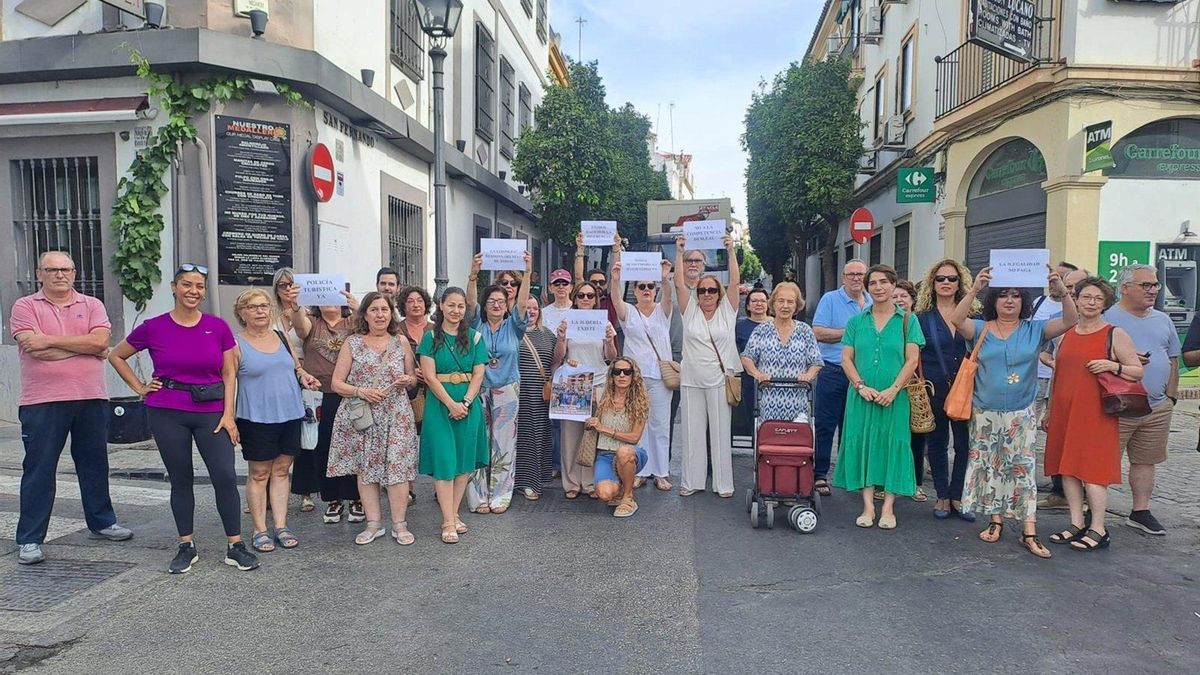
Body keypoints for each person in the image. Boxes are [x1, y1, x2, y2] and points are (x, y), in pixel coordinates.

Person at [109, 264, 258, 573]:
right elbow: (116, 355)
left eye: (200, 286)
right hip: (167, 411)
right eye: (187, 285)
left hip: (211, 411)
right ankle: (186, 545)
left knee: (225, 476)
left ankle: (235, 544)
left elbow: (230, 373)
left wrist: (230, 414)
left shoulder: (217, 327)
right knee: (181, 478)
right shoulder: (154, 326)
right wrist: (139, 387)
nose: (194, 291)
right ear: (174, 287)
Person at [11, 251, 131, 565]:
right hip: (42, 401)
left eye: (65, 269)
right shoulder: (25, 306)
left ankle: (102, 522)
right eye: (51, 270)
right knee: (39, 470)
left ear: (74, 272)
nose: (59, 275)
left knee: (94, 465)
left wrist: (54, 341)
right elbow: (35, 349)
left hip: (90, 397)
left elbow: (101, 344)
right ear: (40, 273)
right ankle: (30, 539)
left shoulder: (92, 305)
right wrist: (85, 347)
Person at [950, 265, 1076, 559]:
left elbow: (1071, 320)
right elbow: (957, 319)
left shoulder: (1035, 330)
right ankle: (996, 522)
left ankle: (1029, 530)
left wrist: (1060, 287)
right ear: (993, 301)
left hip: (1021, 413)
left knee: (1022, 471)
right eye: (1003, 295)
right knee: (991, 469)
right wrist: (974, 289)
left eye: (1016, 296)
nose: (1009, 301)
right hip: (984, 413)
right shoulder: (981, 329)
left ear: (1024, 301)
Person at [1044, 277, 1143, 551]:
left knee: (1093, 472)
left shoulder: (1114, 333)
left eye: (1097, 299)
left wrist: (1112, 365)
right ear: (1076, 299)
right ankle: (1076, 523)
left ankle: (1098, 527)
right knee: (1067, 469)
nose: (1091, 303)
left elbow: (1137, 370)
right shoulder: (1065, 334)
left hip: (1096, 413)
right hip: (1065, 411)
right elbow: (1058, 376)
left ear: (1105, 304)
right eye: (1086, 297)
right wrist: (1051, 410)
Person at [833, 266, 924, 529]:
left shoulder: (908, 320)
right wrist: (860, 386)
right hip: (861, 396)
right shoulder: (856, 322)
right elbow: (846, 359)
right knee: (864, 444)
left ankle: (888, 508)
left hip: (895, 398)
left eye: (884, 282)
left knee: (894, 444)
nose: (878, 287)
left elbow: (912, 360)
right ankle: (868, 507)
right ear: (866, 287)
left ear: (894, 285)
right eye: (872, 283)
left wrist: (894, 389)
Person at [327, 292, 421, 546]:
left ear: (392, 313)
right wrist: (361, 391)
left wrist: (407, 380)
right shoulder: (352, 343)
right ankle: (373, 524)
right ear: (365, 315)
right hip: (364, 415)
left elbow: (413, 377)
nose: (380, 315)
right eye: (374, 310)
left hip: (396, 413)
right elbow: (336, 383)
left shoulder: (400, 341)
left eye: (385, 310)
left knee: (398, 469)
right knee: (366, 469)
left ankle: (400, 524)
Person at [231, 289, 321, 552]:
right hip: (255, 417)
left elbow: (296, 367)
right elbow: (228, 382)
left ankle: (281, 525)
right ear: (241, 313)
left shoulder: (281, 337)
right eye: (252, 307)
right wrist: (229, 418)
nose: (260, 311)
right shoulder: (236, 344)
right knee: (259, 474)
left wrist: (305, 376)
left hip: (290, 413)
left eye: (263, 306)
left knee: (282, 471)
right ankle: (260, 529)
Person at [1105, 264, 1179, 536]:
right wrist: (1122, 358)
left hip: (1157, 406)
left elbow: (1172, 360)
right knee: (1104, 458)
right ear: (1125, 288)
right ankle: (1093, 511)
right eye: (1145, 285)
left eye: (1155, 285)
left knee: (1146, 460)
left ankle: (1140, 511)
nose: (1153, 290)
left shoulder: (1163, 319)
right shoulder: (1107, 318)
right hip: (1118, 406)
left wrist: (1170, 397)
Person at [418, 287, 489, 544]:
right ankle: (448, 521)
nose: (456, 311)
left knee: (463, 463)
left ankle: (453, 512)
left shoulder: (475, 337)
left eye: (460, 306)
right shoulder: (429, 338)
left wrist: (466, 402)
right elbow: (429, 376)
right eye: (451, 305)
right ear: (441, 305)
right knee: (445, 461)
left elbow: (479, 373)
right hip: (440, 406)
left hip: (468, 406)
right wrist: (450, 403)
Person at [465, 251, 533, 513]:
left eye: (501, 301)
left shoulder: (514, 326)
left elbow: (524, 303)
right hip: (478, 388)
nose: (496, 304)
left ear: (507, 305)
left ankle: (500, 495)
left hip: (507, 388)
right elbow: (470, 303)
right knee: (478, 440)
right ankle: (478, 496)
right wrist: (474, 274)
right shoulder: (476, 325)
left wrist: (527, 272)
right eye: (491, 300)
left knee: (504, 443)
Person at [675, 233, 741, 498]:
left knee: (720, 434)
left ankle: (723, 484)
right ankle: (691, 482)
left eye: (712, 290)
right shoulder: (689, 309)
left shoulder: (728, 310)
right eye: (702, 290)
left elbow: (735, 281)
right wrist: (679, 252)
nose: (707, 294)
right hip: (691, 378)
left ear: (719, 293)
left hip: (719, 379)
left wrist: (731, 251)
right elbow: (679, 284)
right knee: (691, 434)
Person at [913, 260, 978, 521]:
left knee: (965, 445)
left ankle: (957, 495)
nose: (946, 283)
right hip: (933, 389)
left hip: (966, 390)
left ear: (960, 283)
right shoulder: (921, 318)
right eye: (941, 278)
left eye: (952, 279)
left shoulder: (974, 316)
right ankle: (941, 494)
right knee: (937, 443)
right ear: (932, 283)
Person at [292, 294, 364, 525]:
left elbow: (369, 329)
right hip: (319, 394)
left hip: (348, 391)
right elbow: (300, 327)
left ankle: (356, 498)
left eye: (334, 296)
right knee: (323, 447)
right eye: (324, 296)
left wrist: (358, 308)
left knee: (354, 447)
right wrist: (295, 306)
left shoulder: (353, 322)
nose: (329, 301)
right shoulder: (312, 322)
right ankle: (332, 499)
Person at [612, 252, 674, 491]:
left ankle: (660, 472)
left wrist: (665, 278)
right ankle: (640, 471)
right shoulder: (629, 311)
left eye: (650, 286)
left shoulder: (663, 310)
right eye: (641, 287)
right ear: (635, 290)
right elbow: (615, 299)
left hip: (659, 377)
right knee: (637, 427)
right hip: (634, 379)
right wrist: (615, 278)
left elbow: (669, 296)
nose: (646, 290)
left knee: (660, 424)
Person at [552, 280, 619, 498]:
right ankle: (571, 483)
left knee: (593, 435)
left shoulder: (603, 322)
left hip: (598, 381)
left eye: (590, 296)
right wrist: (561, 338)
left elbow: (612, 357)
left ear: (596, 299)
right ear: (576, 298)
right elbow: (559, 355)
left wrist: (609, 341)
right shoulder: (567, 321)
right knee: (570, 436)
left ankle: (590, 482)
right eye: (581, 295)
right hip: (573, 383)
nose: (586, 299)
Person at [811, 259, 871, 495]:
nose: (856, 278)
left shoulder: (874, 302)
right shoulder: (830, 300)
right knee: (826, 425)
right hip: (834, 371)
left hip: (863, 374)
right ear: (843, 278)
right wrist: (853, 332)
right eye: (851, 274)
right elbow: (818, 332)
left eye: (860, 274)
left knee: (855, 426)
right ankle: (820, 474)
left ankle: (851, 475)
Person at [1035, 267, 1090, 509]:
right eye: (1068, 287)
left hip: (1090, 395)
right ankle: (1060, 491)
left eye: (1076, 287)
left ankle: (1088, 496)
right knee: (1057, 439)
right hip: (1058, 388)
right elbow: (1045, 352)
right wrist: (1057, 363)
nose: (1072, 292)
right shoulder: (1060, 317)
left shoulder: (1106, 321)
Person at [740, 282, 823, 424]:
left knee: (796, 444)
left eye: (790, 302)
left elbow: (816, 362)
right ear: (773, 304)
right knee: (767, 443)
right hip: (767, 401)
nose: (785, 306)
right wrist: (757, 374)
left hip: (798, 403)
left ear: (796, 306)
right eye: (780, 301)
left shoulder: (805, 330)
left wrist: (808, 375)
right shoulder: (761, 330)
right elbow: (747, 357)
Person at [272, 268, 316, 512]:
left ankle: (304, 491)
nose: (288, 289)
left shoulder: (307, 311)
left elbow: (303, 332)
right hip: (276, 377)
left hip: (302, 375)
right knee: (275, 433)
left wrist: (297, 307)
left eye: (292, 284)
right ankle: (269, 489)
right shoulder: (269, 314)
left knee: (305, 433)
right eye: (282, 285)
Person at [587, 358, 652, 517]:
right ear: (612, 375)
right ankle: (620, 488)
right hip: (605, 454)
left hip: (631, 453)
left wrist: (605, 429)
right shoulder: (600, 394)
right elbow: (578, 400)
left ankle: (628, 497)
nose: (622, 375)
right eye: (617, 372)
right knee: (605, 494)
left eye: (627, 372)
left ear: (633, 375)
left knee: (623, 451)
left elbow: (635, 437)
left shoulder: (640, 400)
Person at [515, 296, 557, 500]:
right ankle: (521, 481)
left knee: (538, 436)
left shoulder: (547, 334)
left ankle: (535, 479)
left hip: (540, 394)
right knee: (522, 438)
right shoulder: (513, 332)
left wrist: (564, 340)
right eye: (527, 308)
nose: (531, 312)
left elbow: (556, 360)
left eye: (535, 308)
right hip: (518, 392)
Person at [892, 279, 926, 503]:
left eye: (903, 296)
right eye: (894, 296)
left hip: (914, 387)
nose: (898, 300)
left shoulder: (916, 322)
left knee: (916, 437)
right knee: (890, 436)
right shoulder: (883, 321)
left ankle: (915, 483)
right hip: (890, 387)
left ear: (913, 299)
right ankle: (884, 482)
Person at [734, 288, 771, 444]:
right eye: (754, 301)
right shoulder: (739, 327)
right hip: (749, 382)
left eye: (762, 301)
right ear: (748, 306)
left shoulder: (776, 323)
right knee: (753, 419)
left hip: (774, 380)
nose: (759, 304)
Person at [575, 232, 624, 347]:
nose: (598, 285)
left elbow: (615, 275)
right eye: (594, 282)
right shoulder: (582, 301)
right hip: (584, 350)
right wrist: (580, 250)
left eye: (601, 282)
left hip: (608, 352)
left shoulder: (611, 301)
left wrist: (616, 249)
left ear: (606, 284)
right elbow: (578, 277)